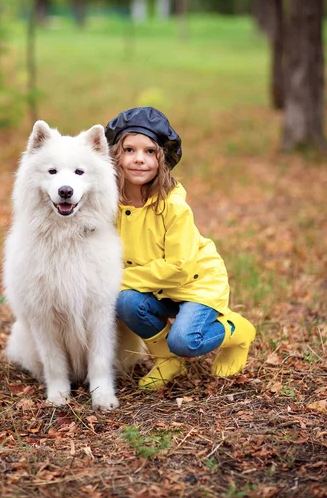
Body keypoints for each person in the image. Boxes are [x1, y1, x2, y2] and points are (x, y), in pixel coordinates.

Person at [105, 106, 256, 390]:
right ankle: (166, 360)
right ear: (116, 155)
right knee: (126, 302)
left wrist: (115, 281)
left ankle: (236, 331)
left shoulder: (173, 205)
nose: (139, 159)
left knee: (185, 341)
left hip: (194, 283)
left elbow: (178, 268)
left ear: (162, 158)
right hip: (155, 286)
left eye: (150, 151)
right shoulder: (110, 203)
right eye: (129, 150)